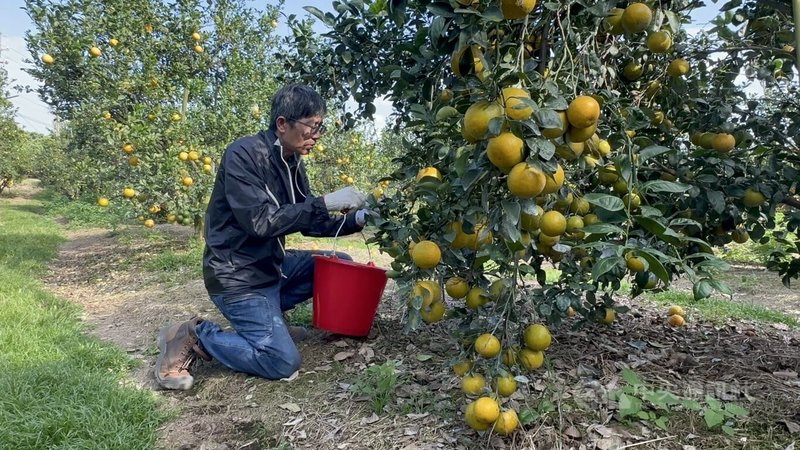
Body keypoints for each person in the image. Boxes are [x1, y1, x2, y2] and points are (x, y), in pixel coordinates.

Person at [154, 84, 372, 390]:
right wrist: (323, 203)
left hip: (271, 266)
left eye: (320, 127)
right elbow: (260, 223)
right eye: (312, 126)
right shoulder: (242, 156)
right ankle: (193, 333)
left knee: (338, 264)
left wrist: (357, 219)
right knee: (282, 362)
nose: (317, 136)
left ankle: (271, 324)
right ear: (283, 124)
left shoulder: (292, 162)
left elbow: (308, 221)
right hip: (238, 277)